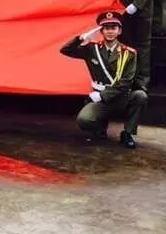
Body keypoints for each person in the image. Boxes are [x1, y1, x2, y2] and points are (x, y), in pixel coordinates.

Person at [60, 11, 145, 148]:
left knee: (140, 96)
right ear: (101, 31)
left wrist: (102, 95)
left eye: (113, 28)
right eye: (106, 28)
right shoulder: (92, 49)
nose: (110, 31)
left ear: (119, 31)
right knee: (84, 120)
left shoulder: (128, 53)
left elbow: (126, 82)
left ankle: (127, 133)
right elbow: (65, 50)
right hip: (101, 100)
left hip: (120, 97)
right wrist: (81, 38)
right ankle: (100, 126)